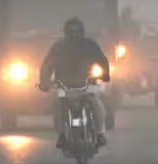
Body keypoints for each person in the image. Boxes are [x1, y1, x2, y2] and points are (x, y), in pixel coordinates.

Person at [38, 17, 111, 148]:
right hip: (63, 85)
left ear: (81, 31)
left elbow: (102, 60)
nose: (73, 34)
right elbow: (47, 66)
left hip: (87, 83)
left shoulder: (90, 45)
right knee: (57, 104)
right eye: (70, 31)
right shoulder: (58, 47)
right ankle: (61, 135)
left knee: (95, 101)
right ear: (66, 32)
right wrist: (45, 82)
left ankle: (100, 133)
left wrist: (105, 75)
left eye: (76, 31)